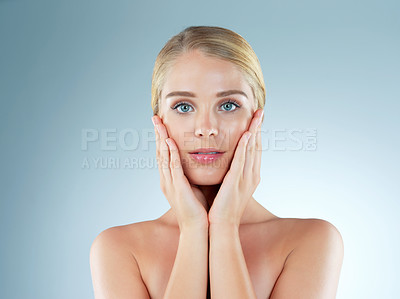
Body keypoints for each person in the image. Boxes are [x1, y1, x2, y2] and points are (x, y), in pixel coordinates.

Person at [90, 25, 344, 299]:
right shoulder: (118, 249)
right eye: (184, 107)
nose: (206, 128)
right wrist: (192, 229)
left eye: (228, 105)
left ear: (256, 119)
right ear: (159, 122)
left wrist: (224, 226)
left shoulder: (311, 241)